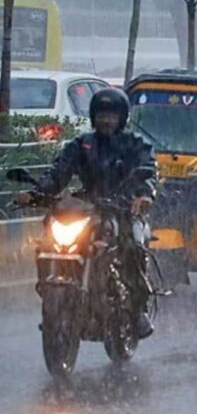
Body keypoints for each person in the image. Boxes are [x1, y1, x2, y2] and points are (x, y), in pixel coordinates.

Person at [15, 88, 158, 338]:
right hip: (88, 206)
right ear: (93, 116)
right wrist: (37, 192)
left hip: (123, 208)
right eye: (102, 114)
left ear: (121, 118)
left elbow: (147, 169)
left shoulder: (135, 144)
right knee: (49, 238)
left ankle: (137, 312)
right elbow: (59, 172)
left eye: (112, 115)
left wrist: (143, 195)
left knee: (133, 246)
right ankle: (51, 291)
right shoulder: (81, 144)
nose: (107, 120)